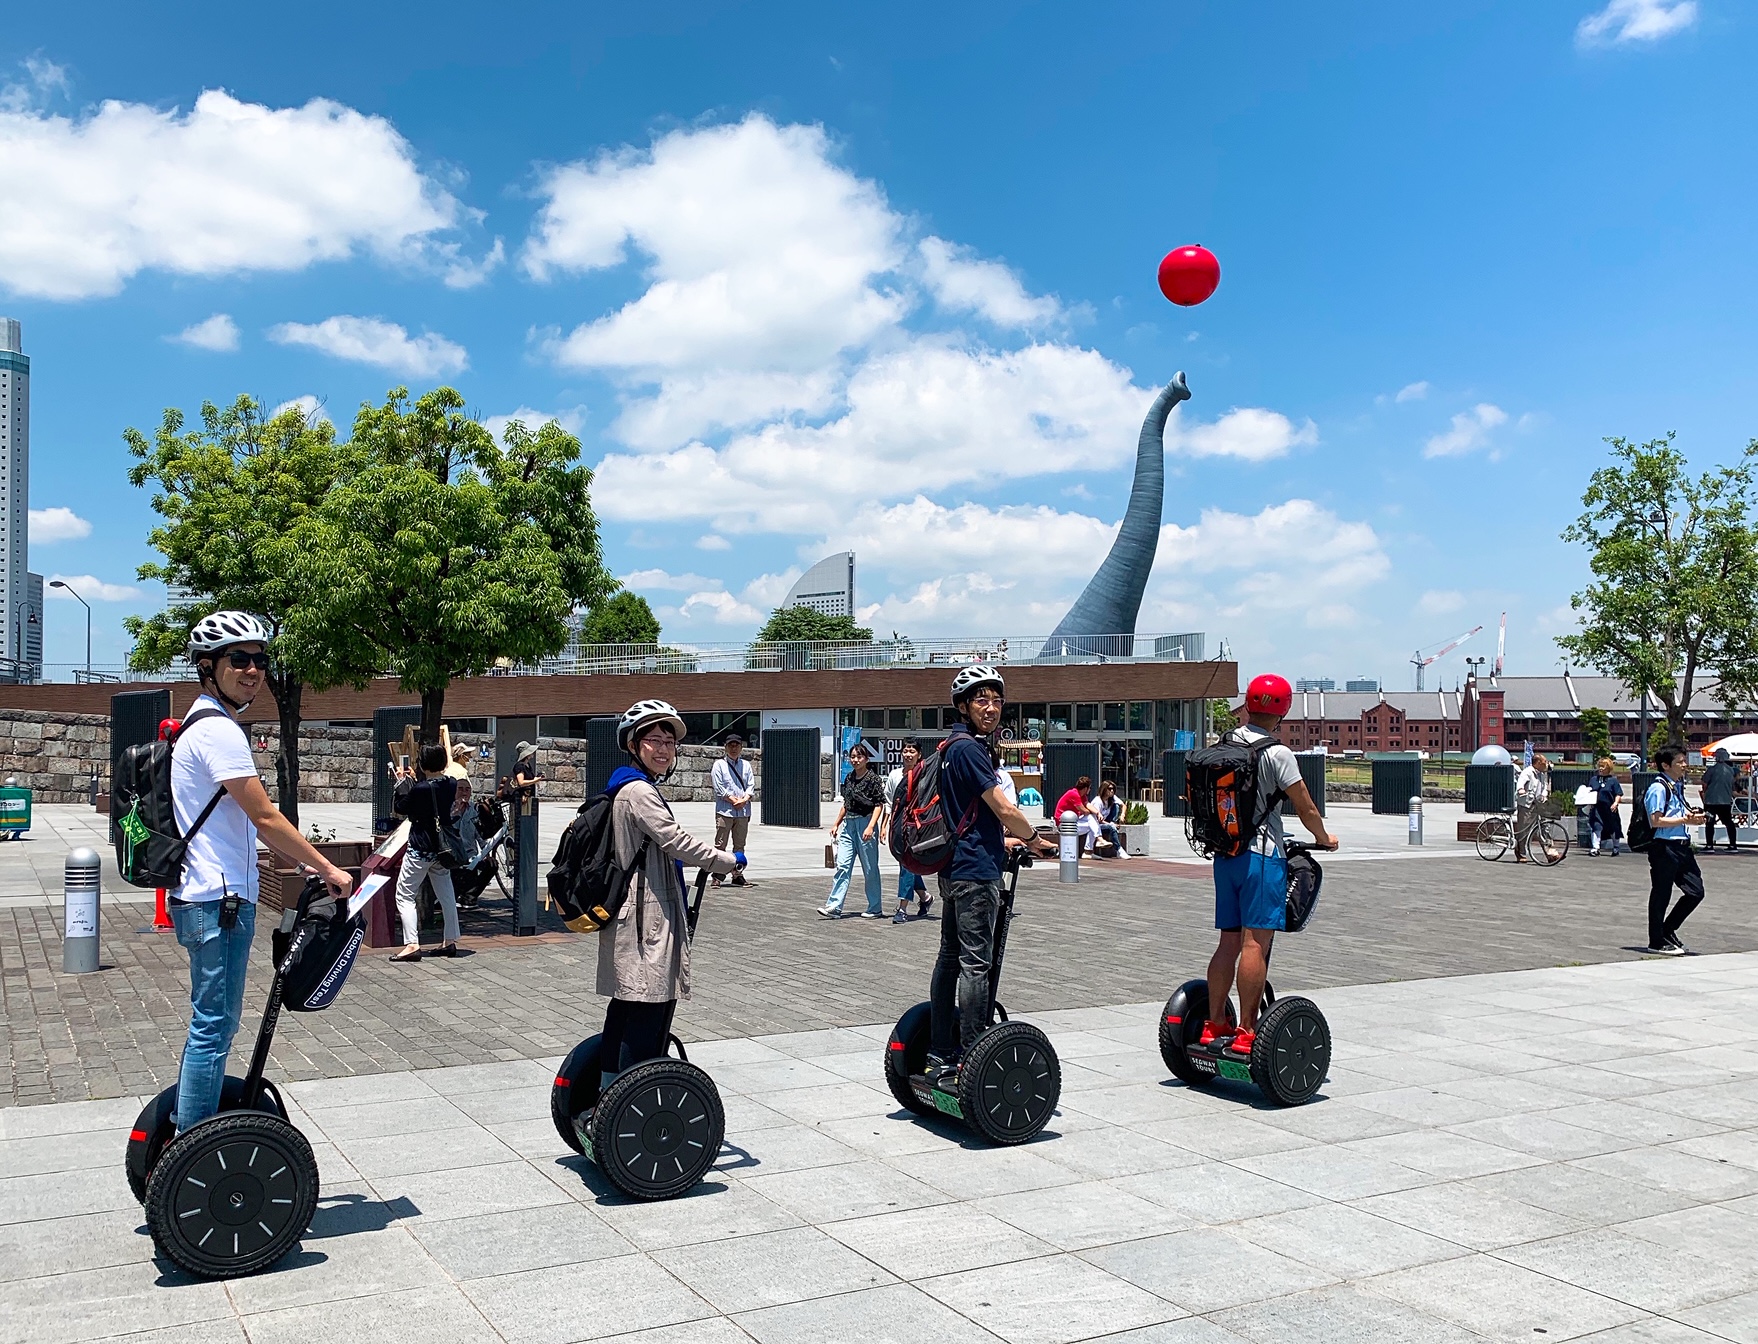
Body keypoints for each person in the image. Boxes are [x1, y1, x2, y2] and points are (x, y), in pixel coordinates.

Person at [169, 612, 352, 1133]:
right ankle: (191, 1145)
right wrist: (326, 868)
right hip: (218, 901)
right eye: (239, 659)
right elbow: (265, 816)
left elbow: (245, 824)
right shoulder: (218, 731)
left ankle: (189, 1135)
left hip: (208, 896)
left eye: (260, 660)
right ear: (208, 667)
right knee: (213, 1028)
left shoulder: (200, 724)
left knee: (213, 1024)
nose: (253, 670)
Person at [597, 699, 742, 1090]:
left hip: (638, 911)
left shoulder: (625, 785)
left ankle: (607, 1094)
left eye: (669, 742)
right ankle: (623, 1102)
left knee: (627, 1007)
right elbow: (675, 840)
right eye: (653, 740)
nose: (663, 749)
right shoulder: (638, 790)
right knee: (645, 1009)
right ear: (633, 744)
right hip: (645, 919)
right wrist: (727, 860)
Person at [927, 666, 1057, 1088]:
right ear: (963, 706)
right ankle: (970, 1053)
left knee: (951, 959)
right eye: (981, 699)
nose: (991, 707)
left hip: (955, 866)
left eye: (997, 700)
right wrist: (1035, 839)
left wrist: (1004, 841)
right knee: (974, 965)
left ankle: (940, 1050)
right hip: (975, 872)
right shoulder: (970, 750)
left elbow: (972, 814)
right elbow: (1002, 807)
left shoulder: (951, 747)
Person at [1201, 674, 1337, 1057]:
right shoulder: (1277, 753)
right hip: (1261, 858)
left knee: (1227, 942)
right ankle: (1246, 1029)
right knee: (1254, 944)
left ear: (1248, 703)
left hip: (1225, 855)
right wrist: (1325, 838)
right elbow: (1306, 805)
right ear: (1283, 711)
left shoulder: (1224, 744)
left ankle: (1213, 1024)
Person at [390, 743, 463, 962]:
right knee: (446, 895)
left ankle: (412, 944)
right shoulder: (451, 783)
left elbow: (402, 807)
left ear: (422, 764)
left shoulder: (420, 789)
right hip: (442, 849)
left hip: (420, 848)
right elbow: (432, 789)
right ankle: (450, 940)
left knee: (404, 895)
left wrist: (402, 782)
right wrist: (413, 781)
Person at [1645, 747, 1707, 956]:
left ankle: (1667, 930)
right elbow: (1655, 821)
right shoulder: (1658, 788)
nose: (1684, 765)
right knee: (1661, 893)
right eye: (1680, 761)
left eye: (1684, 761)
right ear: (1666, 765)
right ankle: (1656, 940)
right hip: (1664, 846)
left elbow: (1679, 813)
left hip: (1682, 847)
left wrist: (1693, 816)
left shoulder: (1676, 786)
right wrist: (1684, 819)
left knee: (1696, 891)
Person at [821, 742, 886, 918]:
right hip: (849, 825)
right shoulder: (849, 778)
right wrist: (836, 823)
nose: (855, 760)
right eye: (853, 756)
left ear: (866, 759)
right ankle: (834, 906)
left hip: (866, 822)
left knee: (870, 868)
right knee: (842, 865)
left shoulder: (873, 779)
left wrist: (871, 826)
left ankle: (875, 907)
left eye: (859, 756)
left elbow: (879, 804)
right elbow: (846, 804)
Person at [887, 741, 931, 922]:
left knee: (906, 864)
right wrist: (886, 826)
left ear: (919, 754)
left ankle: (902, 908)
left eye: (912, 751)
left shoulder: (925, 774)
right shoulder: (895, 775)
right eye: (905, 751)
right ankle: (925, 897)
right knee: (907, 862)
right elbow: (889, 803)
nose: (908, 754)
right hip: (899, 823)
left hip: (917, 825)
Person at [710, 735, 755, 887]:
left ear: (741, 747)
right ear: (725, 747)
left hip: (743, 812)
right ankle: (717, 875)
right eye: (731, 745)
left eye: (736, 745)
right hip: (725, 811)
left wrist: (744, 799)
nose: (734, 748)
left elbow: (751, 786)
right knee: (720, 845)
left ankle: (737, 874)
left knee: (739, 845)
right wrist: (733, 800)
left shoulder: (746, 765)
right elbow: (719, 788)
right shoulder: (719, 765)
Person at [1054, 776, 1108, 856]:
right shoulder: (1073, 794)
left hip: (1073, 823)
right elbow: (1084, 810)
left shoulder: (1082, 796)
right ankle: (1098, 840)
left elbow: (1088, 805)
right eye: (1090, 788)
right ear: (1086, 788)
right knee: (1091, 819)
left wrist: (1097, 813)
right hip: (1064, 825)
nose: (1090, 790)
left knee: (1092, 825)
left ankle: (1088, 851)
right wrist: (1093, 813)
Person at [1700, 747, 1739, 852]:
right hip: (1726, 801)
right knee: (1728, 822)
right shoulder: (1731, 771)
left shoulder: (1711, 770)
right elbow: (1733, 785)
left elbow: (1704, 783)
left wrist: (1705, 793)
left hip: (1711, 801)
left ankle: (1709, 846)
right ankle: (1733, 845)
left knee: (1709, 822)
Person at [1514, 753, 1551, 861]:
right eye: (1545, 761)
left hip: (1538, 804)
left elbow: (1544, 786)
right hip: (1526, 804)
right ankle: (1520, 853)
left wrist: (1544, 795)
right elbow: (1520, 783)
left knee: (1544, 828)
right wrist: (1521, 789)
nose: (1546, 763)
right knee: (1524, 830)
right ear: (1538, 763)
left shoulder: (1543, 773)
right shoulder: (1527, 772)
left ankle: (1550, 854)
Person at [1586, 756, 1624, 857]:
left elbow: (1618, 794)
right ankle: (1595, 848)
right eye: (1600, 766)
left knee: (1613, 828)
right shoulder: (1594, 779)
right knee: (1596, 827)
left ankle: (1616, 847)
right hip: (1597, 808)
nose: (1601, 769)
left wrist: (1615, 803)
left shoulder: (1613, 781)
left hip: (1610, 809)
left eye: (1603, 767)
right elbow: (1589, 791)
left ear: (1609, 768)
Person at [1096, 779, 1127, 857]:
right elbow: (1097, 820)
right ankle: (1119, 849)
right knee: (1111, 827)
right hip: (1097, 824)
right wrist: (1110, 824)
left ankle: (1113, 822)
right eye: (1109, 789)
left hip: (1106, 820)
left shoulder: (1112, 798)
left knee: (1116, 806)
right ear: (1104, 789)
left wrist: (1122, 815)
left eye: (1113, 789)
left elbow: (1123, 805)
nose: (1112, 791)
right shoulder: (1098, 801)